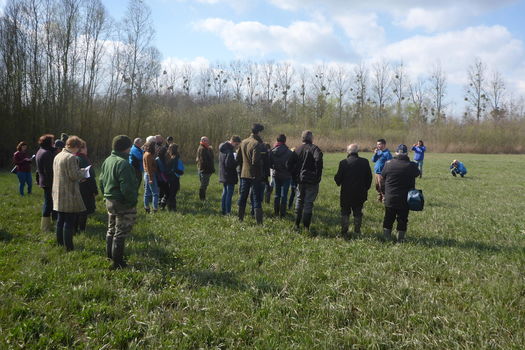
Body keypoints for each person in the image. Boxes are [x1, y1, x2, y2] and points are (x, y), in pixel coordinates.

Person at [99, 135, 138, 269]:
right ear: (127, 148)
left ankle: (109, 256)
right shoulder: (123, 163)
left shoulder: (108, 160)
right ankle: (117, 263)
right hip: (121, 201)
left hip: (109, 199)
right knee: (120, 232)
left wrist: (105, 195)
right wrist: (132, 201)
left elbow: (101, 181)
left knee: (111, 229)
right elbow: (127, 187)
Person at [52, 136, 87, 251]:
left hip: (58, 192)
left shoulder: (58, 156)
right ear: (75, 146)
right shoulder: (71, 157)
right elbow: (74, 175)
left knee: (60, 219)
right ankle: (69, 247)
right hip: (69, 193)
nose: (78, 150)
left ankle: (60, 243)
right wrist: (83, 172)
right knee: (69, 221)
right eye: (78, 148)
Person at [381, 144, 420, 243]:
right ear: (407, 153)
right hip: (405, 198)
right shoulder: (412, 165)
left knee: (388, 218)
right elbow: (417, 174)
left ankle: (387, 238)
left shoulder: (388, 163)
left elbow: (382, 179)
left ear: (396, 152)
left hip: (390, 196)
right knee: (403, 219)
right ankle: (400, 239)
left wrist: (383, 193)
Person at [287, 130, 323, 233]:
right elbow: (318, 159)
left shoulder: (297, 150)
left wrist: (294, 175)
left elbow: (288, 164)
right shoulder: (315, 149)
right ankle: (306, 227)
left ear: (302, 138)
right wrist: (317, 176)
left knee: (299, 200)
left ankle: (296, 224)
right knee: (308, 203)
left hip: (300, 180)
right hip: (312, 181)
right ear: (311, 138)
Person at [334, 144, 372, 239]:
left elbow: (338, 179)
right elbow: (369, 177)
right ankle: (357, 231)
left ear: (348, 151)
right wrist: (366, 188)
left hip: (346, 193)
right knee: (358, 212)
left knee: (345, 212)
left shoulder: (343, 163)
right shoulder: (365, 162)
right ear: (357, 151)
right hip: (360, 192)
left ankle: (344, 232)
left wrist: (337, 180)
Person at [237, 123, 266, 224]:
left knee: (243, 196)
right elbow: (255, 161)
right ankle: (259, 223)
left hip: (244, 174)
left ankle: (240, 219)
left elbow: (238, 159)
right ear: (258, 132)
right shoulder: (256, 144)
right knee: (256, 197)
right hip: (255, 175)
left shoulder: (243, 142)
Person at [74, 141, 98, 233]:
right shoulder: (83, 159)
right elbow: (90, 176)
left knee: (76, 209)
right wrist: (94, 190)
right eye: (85, 148)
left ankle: (75, 228)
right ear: (81, 149)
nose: (87, 149)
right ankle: (82, 229)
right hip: (85, 188)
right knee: (84, 209)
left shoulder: (74, 157)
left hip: (76, 187)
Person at [36, 134, 56, 232]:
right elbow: (49, 170)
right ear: (49, 142)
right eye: (52, 141)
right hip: (49, 182)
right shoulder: (47, 153)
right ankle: (45, 227)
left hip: (43, 180)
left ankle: (48, 224)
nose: (54, 143)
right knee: (49, 203)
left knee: (48, 202)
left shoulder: (40, 151)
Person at [269, 134, 293, 217]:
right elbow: (291, 165)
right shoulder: (289, 152)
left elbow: (269, 164)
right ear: (285, 141)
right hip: (286, 176)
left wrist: (275, 168)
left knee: (277, 194)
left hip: (276, 175)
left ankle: (276, 212)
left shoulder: (272, 151)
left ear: (277, 141)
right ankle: (282, 213)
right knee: (284, 195)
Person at [218, 135, 241, 215]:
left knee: (225, 192)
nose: (236, 146)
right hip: (229, 175)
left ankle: (223, 210)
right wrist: (237, 161)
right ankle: (228, 211)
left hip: (223, 174)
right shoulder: (229, 151)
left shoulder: (222, 148)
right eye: (237, 144)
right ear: (233, 142)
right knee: (229, 194)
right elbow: (229, 164)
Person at [371, 138, 392, 203]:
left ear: (384, 145)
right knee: (377, 186)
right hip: (376, 173)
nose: (378, 146)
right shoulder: (378, 152)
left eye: (379, 144)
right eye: (377, 144)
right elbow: (373, 160)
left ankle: (384, 200)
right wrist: (375, 154)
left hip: (382, 173)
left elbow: (390, 163)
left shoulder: (387, 153)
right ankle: (379, 198)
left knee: (382, 187)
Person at [165, 143, 185, 212]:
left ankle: (171, 207)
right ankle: (172, 208)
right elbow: (175, 169)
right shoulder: (175, 157)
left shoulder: (172, 157)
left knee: (172, 193)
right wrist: (181, 172)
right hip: (174, 178)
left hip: (172, 177)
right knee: (172, 193)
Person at [196, 136, 215, 201]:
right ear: (203, 141)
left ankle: (203, 198)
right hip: (204, 170)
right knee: (203, 185)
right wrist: (209, 169)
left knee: (204, 185)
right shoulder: (202, 149)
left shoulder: (206, 148)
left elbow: (211, 157)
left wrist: (210, 150)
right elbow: (204, 161)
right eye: (206, 140)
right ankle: (202, 199)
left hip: (205, 170)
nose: (208, 142)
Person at [143, 141, 159, 213]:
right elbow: (149, 168)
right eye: (155, 146)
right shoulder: (148, 155)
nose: (156, 147)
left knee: (147, 192)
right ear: (152, 147)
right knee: (155, 193)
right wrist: (151, 178)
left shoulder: (146, 154)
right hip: (150, 174)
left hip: (147, 174)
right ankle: (155, 209)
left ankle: (147, 208)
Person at [156, 145, 169, 209]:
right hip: (163, 178)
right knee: (167, 192)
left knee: (161, 192)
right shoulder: (161, 159)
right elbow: (162, 170)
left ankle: (159, 203)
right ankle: (162, 204)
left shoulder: (157, 158)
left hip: (159, 178)